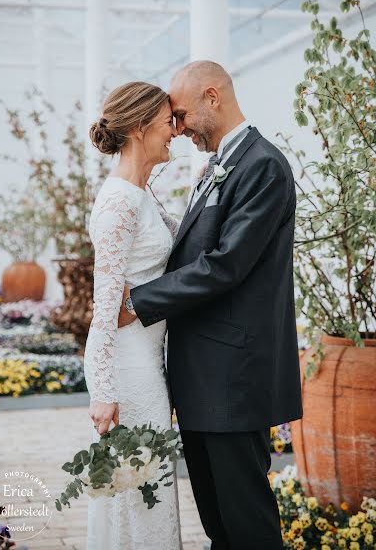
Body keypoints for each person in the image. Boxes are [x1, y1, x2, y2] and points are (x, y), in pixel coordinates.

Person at [119, 61, 303, 550]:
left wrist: (139, 302)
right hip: (204, 378)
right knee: (219, 523)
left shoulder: (262, 165)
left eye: (179, 115)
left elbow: (226, 265)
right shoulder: (220, 164)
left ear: (212, 97)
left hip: (234, 379)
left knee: (247, 524)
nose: (176, 130)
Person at [84, 81, 182, 550]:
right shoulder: (119, 203)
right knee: (139, 492)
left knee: (148, 490)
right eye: (168, 122)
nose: (176, 131)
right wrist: (103, 391)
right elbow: (104, 310)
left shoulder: (142, 195)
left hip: (147, 359)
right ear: (141, 127)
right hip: (128, 371)